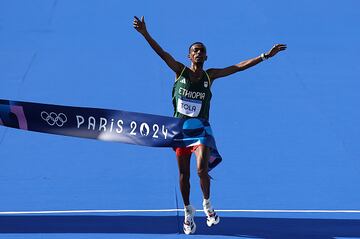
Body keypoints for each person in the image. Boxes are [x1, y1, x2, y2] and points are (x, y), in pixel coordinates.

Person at [133, 16, 286, 235]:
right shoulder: (180, 71)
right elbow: (162, 54)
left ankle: (207, 205)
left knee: (201, 169)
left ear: (206, 56)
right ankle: (188, 212)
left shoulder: (210, 75)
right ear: (189, 56)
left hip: (202, 130)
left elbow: (238, 67)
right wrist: (145, 34)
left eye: (201, 50)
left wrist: (265, 56)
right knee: (184, 176)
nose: (198, 52)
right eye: (194, 50)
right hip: (179, 131)